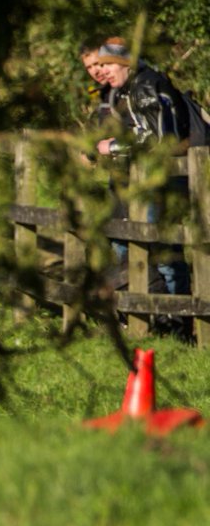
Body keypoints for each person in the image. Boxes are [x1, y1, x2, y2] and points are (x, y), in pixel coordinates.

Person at [94, 38, 192, 333]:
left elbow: (159, 138)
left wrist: (114, 146)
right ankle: (146, 316)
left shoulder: (146, 86)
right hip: (144, 180)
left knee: (161, 252)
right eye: (100, 65)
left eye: (109, 64)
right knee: (129, 242)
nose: (104, 71)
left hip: (160, 182)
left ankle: (176, 322)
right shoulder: (129, 89)